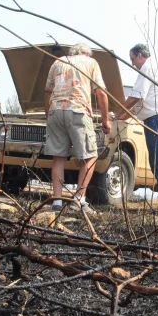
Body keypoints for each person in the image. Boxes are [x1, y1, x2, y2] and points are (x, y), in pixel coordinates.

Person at [43, 44, 111, 213]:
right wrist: (105, 120)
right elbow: (101, 93)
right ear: (86, 54)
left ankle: (57, 203)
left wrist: (48, 116)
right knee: (90, 157)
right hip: (78, 111)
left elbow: (47, 91)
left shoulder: (58, 62)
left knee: (58, 158)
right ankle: (78, 200)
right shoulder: (90, 62)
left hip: (55, 111)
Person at [116, 43, 158, 212]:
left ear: (139, 55)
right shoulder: (157, 68)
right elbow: (139, 106)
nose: (133, 64)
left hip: (157, 119)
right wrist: (119, 116)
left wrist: (117, 111)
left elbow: (136, 97)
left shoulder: (147, 68)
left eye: (132, 59)